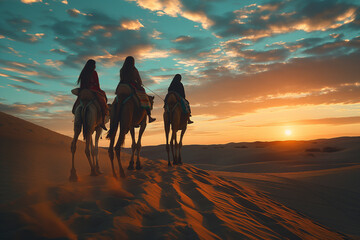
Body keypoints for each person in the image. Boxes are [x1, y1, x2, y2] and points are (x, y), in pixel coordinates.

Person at [116, 56, 156, 123]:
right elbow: (139, 80)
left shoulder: (122, 69)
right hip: (131, 86)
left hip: (121, 86)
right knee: (144, 96)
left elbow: (121, 79)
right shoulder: (134, 70)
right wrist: (139, 84)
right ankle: (149, 116)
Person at [72, 59, 108, 130]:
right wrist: (98, 89)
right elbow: (97, 84)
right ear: (93, 65)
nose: (95, 67)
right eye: (94, 65)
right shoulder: (94, 72)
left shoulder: (83, 72)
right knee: (103, 101)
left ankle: (74, 111)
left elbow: (82, 84)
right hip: (93, 89)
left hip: (83, 89)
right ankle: (103, 120)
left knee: (78, 101)